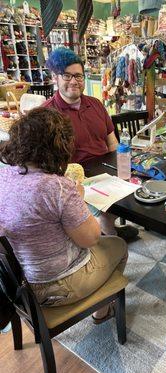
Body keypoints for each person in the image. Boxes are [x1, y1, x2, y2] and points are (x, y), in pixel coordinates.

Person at [0, 107, 127, 322]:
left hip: (19, 280)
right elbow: (91, 239)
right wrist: (79, 198)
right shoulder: (57, 188)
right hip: (56, 287)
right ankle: (102, 312)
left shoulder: (4, 175)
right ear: (59, 146)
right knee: (118, 245)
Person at [43, 47, 138, 241]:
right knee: (106, 203)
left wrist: (122, 169)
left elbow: (112, 142)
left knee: (136, 187)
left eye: (78, 76)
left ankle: (108, 229)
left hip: (106, 169)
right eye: (67, 75)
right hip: (75, 178)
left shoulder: (96, 104)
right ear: (55, 77)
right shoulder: (46, 114)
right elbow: (45, 165)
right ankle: (109, 235)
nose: (74, 81)